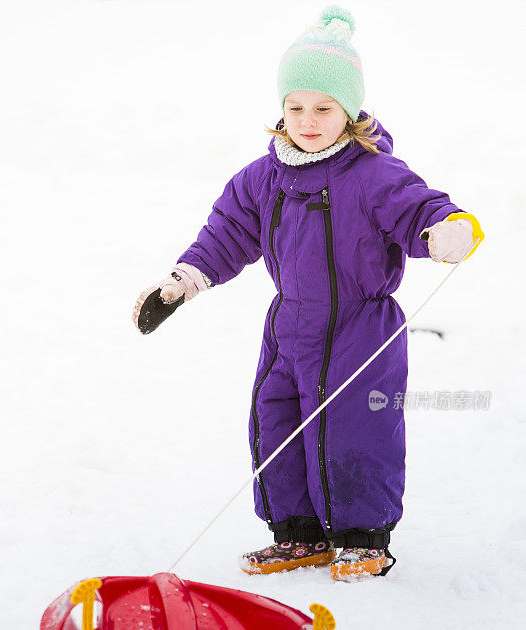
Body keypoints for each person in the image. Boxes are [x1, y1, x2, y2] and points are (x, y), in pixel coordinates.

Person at [133, 6, 483, 581]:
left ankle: (361, 536)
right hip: (289, 326)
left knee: (356, 427)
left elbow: (419, 208)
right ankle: (297, 534)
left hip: (359, 327)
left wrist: (448, 227)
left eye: (324, 108)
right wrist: (183, 281)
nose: (308, 119)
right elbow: (226, 233)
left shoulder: (373, 174)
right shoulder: (262, 177)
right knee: (277, 421)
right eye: (295, 107)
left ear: (349, 111)